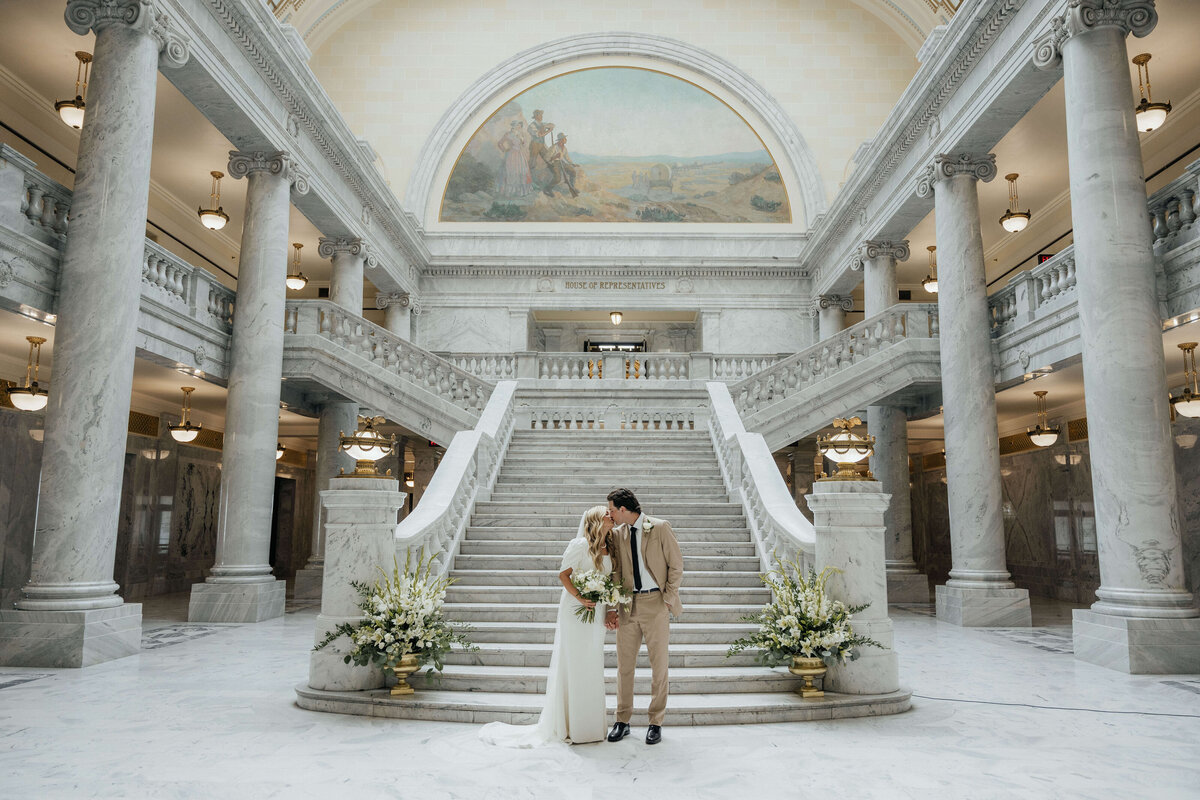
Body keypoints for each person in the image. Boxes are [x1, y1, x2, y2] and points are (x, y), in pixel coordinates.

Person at [479, 505, 616, 747]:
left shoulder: (610, 547)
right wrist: (581, 597)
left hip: (597, 612)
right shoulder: (579, 545)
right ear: (596, 519)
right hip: (576, 609)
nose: (611, 515)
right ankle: (570, 725)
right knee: (574, 663)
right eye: (606, 513)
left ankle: (590, 724)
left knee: (592, 663)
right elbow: (563, 575)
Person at [605, 487, 683, 746]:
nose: (610, 514)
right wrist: (612, 607)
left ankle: (655, 722)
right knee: (624, 666)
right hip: (628, 605)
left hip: (655, 603)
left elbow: (676, 565)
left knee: (658, 666)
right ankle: (622, 720)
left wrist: (667, 599)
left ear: (624, 509)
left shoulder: (659, 527)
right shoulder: (617, 534)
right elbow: (614, 572)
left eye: (612, 510)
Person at [495, 120, 531, 197]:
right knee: (511, 171)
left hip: (520, 155)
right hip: (511, 155)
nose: (519, 126)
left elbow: (523, 144)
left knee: (521, 171)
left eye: (519, 125)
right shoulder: (508, 134)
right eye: (518, 125)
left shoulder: (520, 134)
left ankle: (519, 191)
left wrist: (522, 140)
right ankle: (510, 192)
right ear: (514, 126)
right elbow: (500, 143)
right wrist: (504, 149)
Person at [542, 133, 580, 198]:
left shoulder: (564, 148)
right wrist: (555, 157)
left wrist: (572, 163)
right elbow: (546, 158)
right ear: (561, 140)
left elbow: (567, 157)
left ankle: (572, 187)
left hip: (561, 162)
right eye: (564, 139)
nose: (566, 140)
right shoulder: (554, 147)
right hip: (553, 163)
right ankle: (547, 189)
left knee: (573, 172)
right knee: (557, 178)